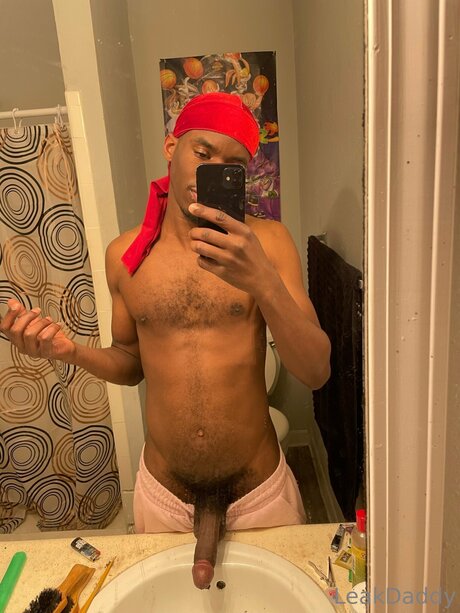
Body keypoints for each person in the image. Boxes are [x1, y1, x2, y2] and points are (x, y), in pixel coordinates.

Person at [0, 93, 330, 589]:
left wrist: (262, 280)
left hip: (259, 491)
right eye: (202, 152)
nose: (211, 169)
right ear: (171, 148)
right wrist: (71, 352)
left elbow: (316, 371)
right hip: (164, 498)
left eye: (231, 164)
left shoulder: (268, 242)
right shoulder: (125, 254)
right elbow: (130, 362)